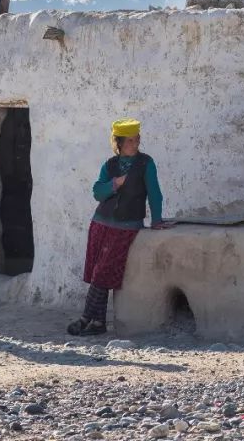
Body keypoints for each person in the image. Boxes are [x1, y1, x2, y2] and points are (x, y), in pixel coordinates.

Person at [68, 118, 172, 335]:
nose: (135, 144)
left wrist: (156, 220)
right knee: (98, 272)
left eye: (137, 140)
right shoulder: (110, 165)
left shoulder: (146, 163)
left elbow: (154, 192)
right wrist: (115, 183)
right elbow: (97, 192)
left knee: (102, 271)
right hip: (101, 223)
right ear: (119, 143)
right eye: (130, 141)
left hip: (126, 226)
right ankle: (98, 324)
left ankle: (86, 318)